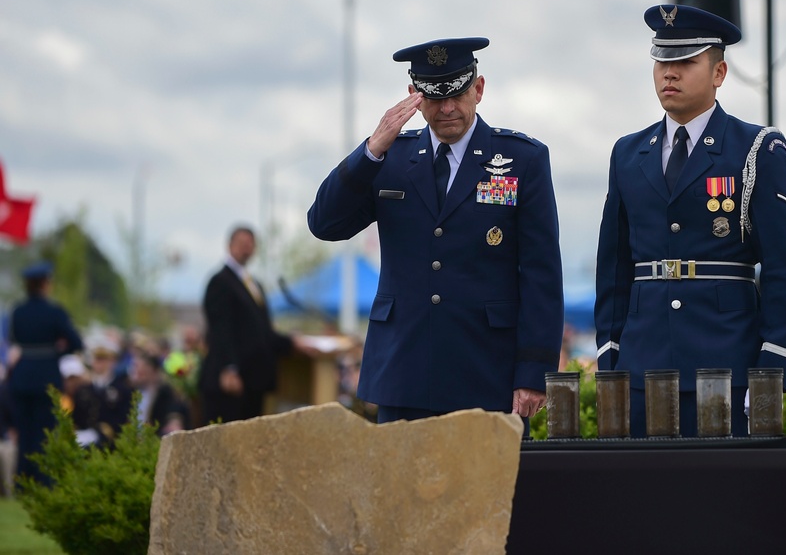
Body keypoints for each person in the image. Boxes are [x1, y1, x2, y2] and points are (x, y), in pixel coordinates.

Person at [307, 37, 563, 425]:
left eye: (457, 93)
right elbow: (324, 223)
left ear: (478, 89)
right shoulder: (390, 158)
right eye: (433, 96)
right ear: (414, 95)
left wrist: (532, 373)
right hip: (403, 372)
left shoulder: (520, 159)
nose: (446, 108)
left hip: (485, 371)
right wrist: (371, 150)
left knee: (484, 487)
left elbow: (541, 273)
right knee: (401, 487)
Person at [594, 5, 786, 438]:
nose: (669, 73)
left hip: (725, 362)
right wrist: (609, 358)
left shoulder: (757, 149)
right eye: (662, 62)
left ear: (719, 72)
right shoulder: (629, 153)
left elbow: (783, 269)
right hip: (642, 362)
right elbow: (613, 267)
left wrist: (772, 370)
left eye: (686, 62)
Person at [198, 225, 315, 423]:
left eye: (251, 244)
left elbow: (261, 331)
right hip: (232, 381)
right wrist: (229, 368)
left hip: (253, 379)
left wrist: (292, 342)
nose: (247, 248)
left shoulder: (254, 284)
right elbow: (220, 328)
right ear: (230, 245)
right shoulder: (221, 281)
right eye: (242, 243)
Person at [6, 262, 84, 482]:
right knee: (44, 431)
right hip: (46, 377)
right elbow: (75, 342)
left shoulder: (18, 311)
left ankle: (22, 479)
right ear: (45, 284)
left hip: (22, 376)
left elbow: (13, 339)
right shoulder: (54, 312)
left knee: (25, 431)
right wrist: (54, 354)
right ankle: (42, 479)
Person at [128, 350, 188, 436]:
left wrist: (174, 421)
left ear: (153, 372)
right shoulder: (129, 392)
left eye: (141, 371)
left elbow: (175, 411)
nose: (136, 374)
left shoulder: (166, 394)